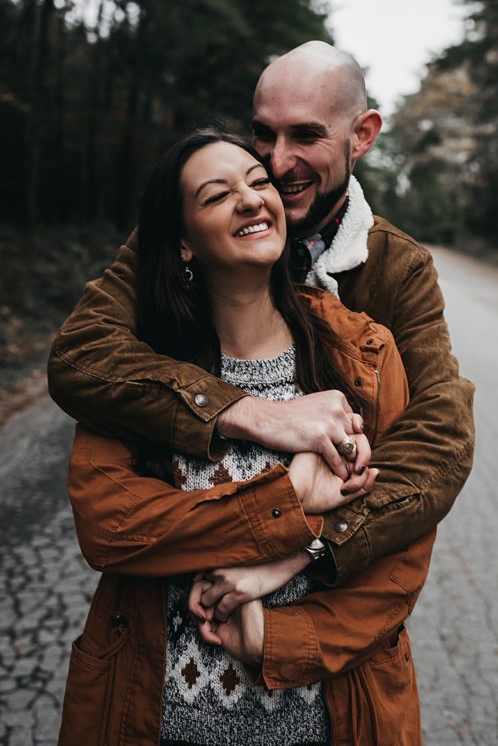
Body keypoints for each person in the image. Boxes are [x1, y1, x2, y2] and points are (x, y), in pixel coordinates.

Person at [47, 41, 474, 586]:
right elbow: (80, 353)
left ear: (362, 136)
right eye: (264, 134)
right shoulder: (188, 233)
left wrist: (312, 549)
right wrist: (249, 412)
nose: (275, 162)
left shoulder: (397, 266)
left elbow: (442, 433)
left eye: (306, 135)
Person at [59, 129, 434, 745]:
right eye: (216, 195)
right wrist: (288, 496)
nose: (250, 199)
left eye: (258, 184)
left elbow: (400, 557)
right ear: (182, 243)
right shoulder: (141, 371)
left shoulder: (362, 354)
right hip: (159, 723)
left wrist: (275, 636)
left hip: (326, 724)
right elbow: (109, 526)